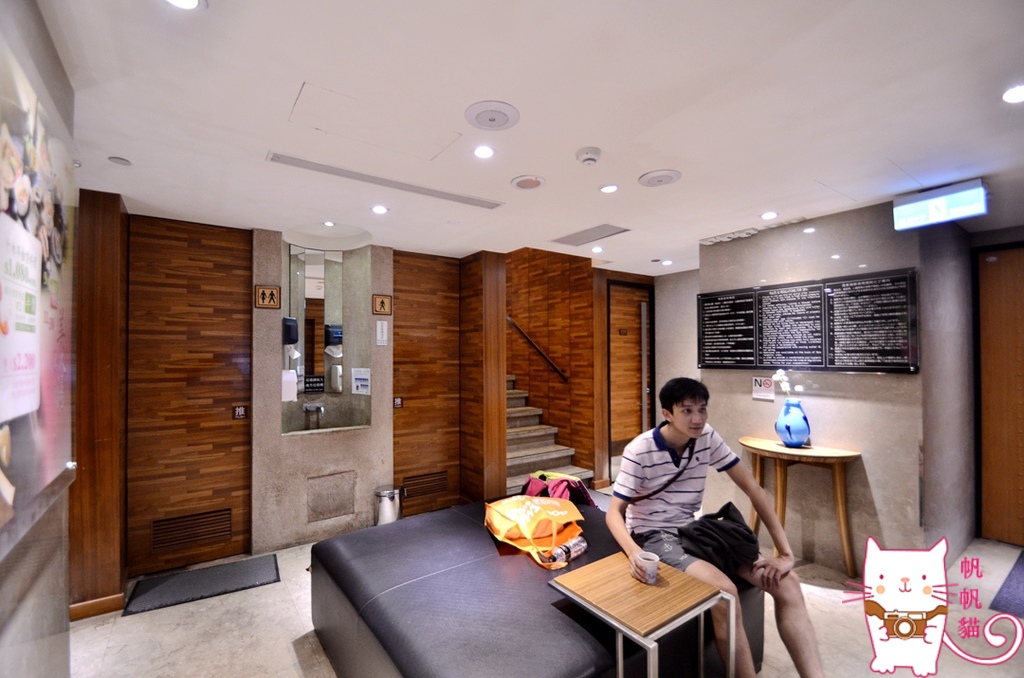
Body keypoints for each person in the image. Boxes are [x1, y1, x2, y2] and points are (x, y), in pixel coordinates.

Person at [606, 377, 824, 678]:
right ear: (667, 414)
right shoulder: (640, 450)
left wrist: (785, 554)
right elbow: (614, 513)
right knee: (725, 593)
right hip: (654, 534)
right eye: (687, 411)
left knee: (788, 582)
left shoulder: (706, 437)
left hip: (694, 530)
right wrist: (633, 553)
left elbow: (753, 489)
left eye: (702, 409)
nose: (697, 419)